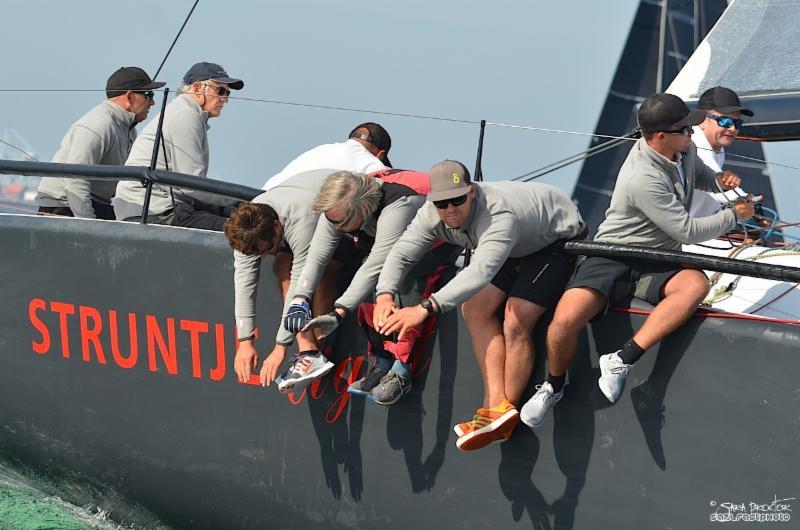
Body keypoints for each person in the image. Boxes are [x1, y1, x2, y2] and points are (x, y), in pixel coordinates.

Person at [521, 93, 755, 428]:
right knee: (564, 321)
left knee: (695, 285)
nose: (692, 133)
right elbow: (687, 231)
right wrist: (734, 215)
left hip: (658, 254)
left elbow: (699, 175)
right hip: (615, 253)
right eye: (685, 129)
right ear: (661, 136)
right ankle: (553, 386)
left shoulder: (682, 148)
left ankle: (621, 360)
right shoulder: (642, 177)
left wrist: (719, 180)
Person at [375, 160, 585, 451]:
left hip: (555, 241)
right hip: (511, 246)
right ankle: (494, 406)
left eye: (457, 200)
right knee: (473, 309)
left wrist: (424, 309)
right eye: (442, 203)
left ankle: (502, 413)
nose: (450, 210)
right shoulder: (430, 214)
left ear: (472, 192)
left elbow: (481, 271)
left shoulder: (499, 214)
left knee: (516, 316)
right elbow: (401, 253)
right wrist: (384, 294)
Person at [281, 168, 431, 398]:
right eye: (330, 220)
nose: (334, 227)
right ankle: (381, 364)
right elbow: (317, 257)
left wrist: (339, 311)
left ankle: (401, 371)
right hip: (384, 238)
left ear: (362, 211)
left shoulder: (398, 206)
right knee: (368, 293)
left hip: (438, 241)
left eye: (339, 222)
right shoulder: (338, 207)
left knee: (403, 282)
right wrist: (300, 299)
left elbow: (377, 264)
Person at [225, 168, 340, 389]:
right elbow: (244, 284)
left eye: (266, 248)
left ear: (276, 226)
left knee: (319, 273)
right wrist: (245, 341)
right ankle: (309, 352)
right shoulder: (246, 228)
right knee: (280, 263)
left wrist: (280, 347)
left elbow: (301, 284)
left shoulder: (302, 219)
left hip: (336, 214)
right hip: (302, 206)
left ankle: (312, 353)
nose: (263, 256)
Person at [114, 62, 244, 230]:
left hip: (157, 205)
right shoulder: (186, 115)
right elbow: (193, 186)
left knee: (238, 219)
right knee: (245, 233)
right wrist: (238, 199)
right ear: (198, 88)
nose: (225, 98)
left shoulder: (185, 112)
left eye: (228, 92)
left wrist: (230, 206)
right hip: (156, 211)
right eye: (220, 90)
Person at [36, 67, 164, 219]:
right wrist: (90, 226)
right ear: (129, 96)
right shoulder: (99, 124)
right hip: (65, 206)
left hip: (95, 203)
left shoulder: (128, 127)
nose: (152, 102)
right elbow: (75, 182)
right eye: (148, 95)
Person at [262, 122, 391, 190]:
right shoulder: (367, 160)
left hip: (255, 201)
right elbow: (395, 189)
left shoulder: (323, 149)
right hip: (281, 215)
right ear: (380, 155)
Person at [689, 86, 755, 217]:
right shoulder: (693, 142)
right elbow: (716, 184)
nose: (732, 128)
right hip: (676, 232)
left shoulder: (718, 146)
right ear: (702, 120)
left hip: (698, 229)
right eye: (724, 121)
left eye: (737, 123)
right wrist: (749, 202)